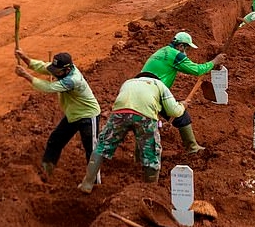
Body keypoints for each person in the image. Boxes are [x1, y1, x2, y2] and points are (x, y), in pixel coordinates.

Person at [78, 72, 187, 193]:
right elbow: (174, 111)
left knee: (103, 145)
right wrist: (182, 105)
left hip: (120, 113)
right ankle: (149, 191)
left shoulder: (128, 82)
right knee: (151, 151)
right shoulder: (159, 84)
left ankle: (87, 183)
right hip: (145, 116)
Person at [15, 50, 101, 178]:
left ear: (67, 69)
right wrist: (25, 58)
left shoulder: (73, 80)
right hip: (73, 115)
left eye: (57, 71)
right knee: (55, 140)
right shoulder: (62, 70)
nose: (54, 73)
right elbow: (43, 67)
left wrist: (26, 76)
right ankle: (46, 172)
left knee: (91, 150)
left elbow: (49, 87)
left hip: (88, 116)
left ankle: (94, 182)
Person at [141, 32, 225, 154]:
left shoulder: (162, 51)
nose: (187, 52)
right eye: (187, 48)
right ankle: (192, 148)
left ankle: (142, 152)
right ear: (181, 46)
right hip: (154, 91)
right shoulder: (176, 55)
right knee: (181, 115)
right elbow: (196, 70)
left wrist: (211, 66)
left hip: (141, 89)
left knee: (146, 122)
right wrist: (214, 62)